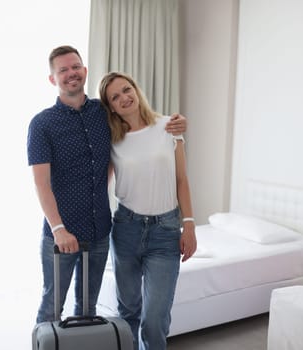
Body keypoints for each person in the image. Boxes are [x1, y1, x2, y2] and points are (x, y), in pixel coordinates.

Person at [27, 45, 187, 324]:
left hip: (101, 231)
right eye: (62, 70)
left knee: (88, 309)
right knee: (52, 306)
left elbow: (140, 129)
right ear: (53, 79)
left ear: (84, 71)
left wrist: (176, 124)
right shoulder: (42, 124)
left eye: (75, 67)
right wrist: (58, 229)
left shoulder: (104, 113)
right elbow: (41, 184)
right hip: (61, 234)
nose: (71, 73)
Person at [98, 71, 197, 350]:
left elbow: (182, 180)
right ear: (112, 107)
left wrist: (188, 225)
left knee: (155, 320)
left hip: (165, 232)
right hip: (126, 229)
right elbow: (100, 184)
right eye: (115, 97)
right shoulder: (111, 139)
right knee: (128, 312)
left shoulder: (169, 127)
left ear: (136, 90)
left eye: (126, 90)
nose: (124, 98)